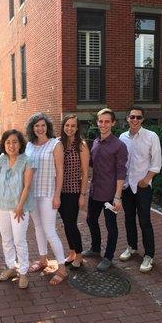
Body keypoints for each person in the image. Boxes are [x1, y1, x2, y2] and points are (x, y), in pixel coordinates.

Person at [83, 108, 128, 271]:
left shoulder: (119, 145)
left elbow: (121, 171)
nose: (103, 124)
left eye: (107, 121)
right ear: (97, 122)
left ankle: (108, 257)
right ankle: (95, 248)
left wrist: (118, 196)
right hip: (95, 191)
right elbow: (91, 165)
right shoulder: (95, 142)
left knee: (111, 226)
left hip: (110, 194)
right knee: (90, 220)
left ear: (113, 123)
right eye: (100, 121)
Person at [25, 112, 67, 285]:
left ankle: (62, 267)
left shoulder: (55, 144)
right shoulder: (28, 145)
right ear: (32, 128)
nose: (40, 128)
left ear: (47, 127)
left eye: (42, 125)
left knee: (50, 230)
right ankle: (43, 260)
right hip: (32, 193)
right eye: (36, 126)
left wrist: (57, 195)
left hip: (49, 193)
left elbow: (60, 171)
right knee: (38, 227)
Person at [119, 106, 162, 273]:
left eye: (138, 117)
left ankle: (149, 255)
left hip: (143, 186)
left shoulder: (151, 136)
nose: (135, 120)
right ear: (127, 118)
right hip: (127, 186)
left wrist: (146, 180)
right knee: (129, 219)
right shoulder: (122, 137)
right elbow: (121, 162)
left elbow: (156, 163)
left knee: (144, 221)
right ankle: (132, 247)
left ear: (143, 119)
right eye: (132, 117)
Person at [0, 130, 35, 289]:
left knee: (19, 240)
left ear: (20, 144)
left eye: (15, 141)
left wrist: (20, 205)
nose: (11, 145)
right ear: (4, 144)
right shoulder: (2, 158)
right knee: (6, 238)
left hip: (19, 207)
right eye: (8, 142)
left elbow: (28, 186)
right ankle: (11, 266)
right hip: (1, 204)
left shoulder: (27, 161)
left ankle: (23, 272)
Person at [59, 114, 89, 270]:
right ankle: (71, 252)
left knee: (71, 223)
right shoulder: (59, 144)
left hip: (74, 191)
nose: (69, 128)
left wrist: (82, 195)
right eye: (67, 125)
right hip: (59, 191)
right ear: (63, 127)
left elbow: (85, 172)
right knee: (66, 223)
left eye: (73, 126)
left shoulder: (81, 145)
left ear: (77, 128)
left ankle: (79, 255)